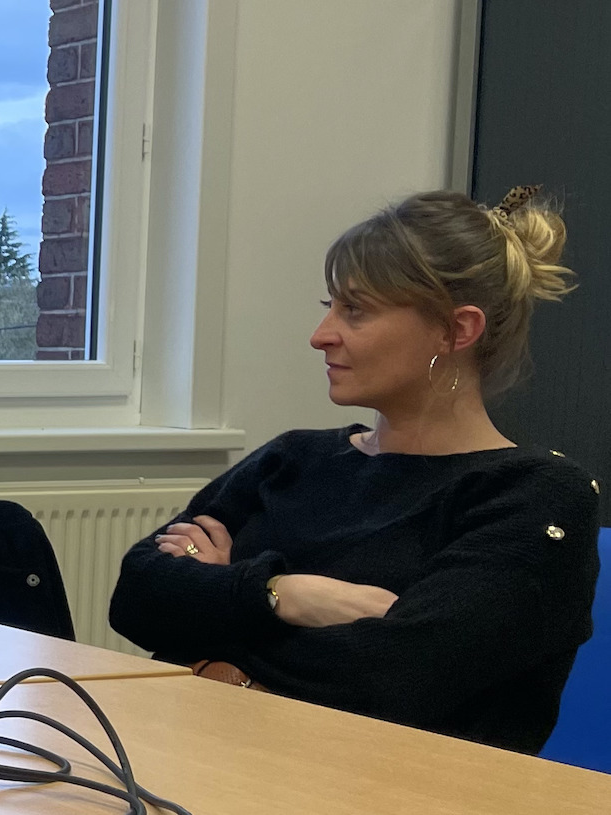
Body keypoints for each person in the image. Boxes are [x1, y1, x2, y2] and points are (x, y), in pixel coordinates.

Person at [108, 186, 601, 754]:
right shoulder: (294, 458)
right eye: (330, 307)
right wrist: (282, 594)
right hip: (224, 762)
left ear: (456, 330)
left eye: (356, 310)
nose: (321, 336)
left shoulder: (536, 497)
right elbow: (139, 597)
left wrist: (217, 639)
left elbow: (393, 678)